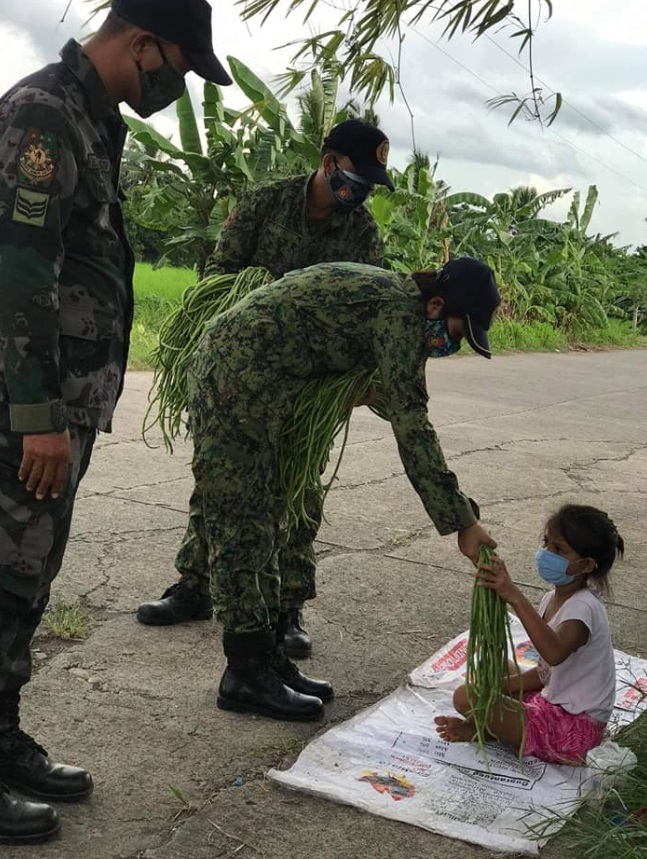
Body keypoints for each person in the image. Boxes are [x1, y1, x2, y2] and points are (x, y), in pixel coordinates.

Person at [0, 0, 231, 844]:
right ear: (143, 45)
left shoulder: (94, 122)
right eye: (178, 68)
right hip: (26, 411)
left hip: (62, 409)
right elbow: (19, 267)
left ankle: (3, 740)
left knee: (23, 583)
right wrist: (37, 416)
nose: (176, 88)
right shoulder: (44, 113)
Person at [181, 257, 500, 723]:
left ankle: (267, 656)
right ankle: (244, 672)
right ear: (434, 304)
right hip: (236, 379)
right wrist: (462, 522)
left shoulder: (396, 302)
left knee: (272, 518)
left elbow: (393, 400)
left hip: (267, 383)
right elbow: (413, 427)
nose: (450, 344)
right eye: (455, 332)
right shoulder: (400, 316)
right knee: (242, 525)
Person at [136, 118, 395, 660]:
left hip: (310, 383)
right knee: (222, 480)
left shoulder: (362, 232)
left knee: (297, 487)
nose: (361, 192)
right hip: (242, 371)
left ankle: (287, 605)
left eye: (371, 184)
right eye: (358, 178)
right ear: (329, 163)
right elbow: (221, 271)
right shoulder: (266, 202)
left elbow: (372, 307)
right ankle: (196, 585)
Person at [435, 504, 622, 765]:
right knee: (492, 665)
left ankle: (486, 729)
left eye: (559, 550)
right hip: (550, 702)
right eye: (546, 543)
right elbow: (547, 674)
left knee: (466, 696)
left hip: (573, 729)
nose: (546, 553)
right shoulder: (552, 598)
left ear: (586, 565)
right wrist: (497, 686)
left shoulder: (584, 608)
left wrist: (514, 595)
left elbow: (554, 654)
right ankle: (487, 729)